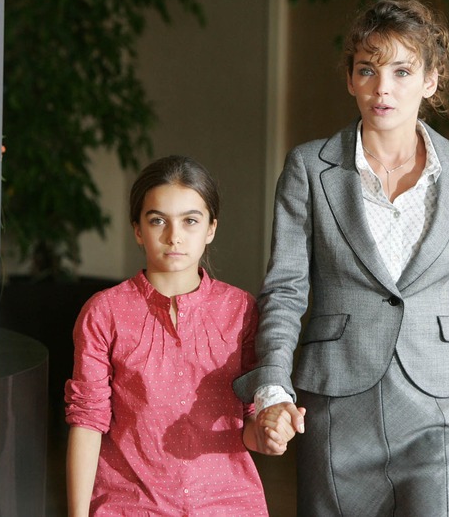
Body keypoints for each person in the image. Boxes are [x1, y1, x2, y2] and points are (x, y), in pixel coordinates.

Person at [233, 0, 449, 516]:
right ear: (350, 79)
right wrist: (273, 389)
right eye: (367, 70)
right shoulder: (309, 167)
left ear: (431, 80)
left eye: (402, 71)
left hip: (439, 409)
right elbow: (285, 289)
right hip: (337, 403)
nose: (382, 88)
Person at [64, 155, 296, 516]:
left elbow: (248, 424)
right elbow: (87, 421)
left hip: (227, 505)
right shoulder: (104, 312)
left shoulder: (241, 310)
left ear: (211, 229)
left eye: (190, 220)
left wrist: (269, 435)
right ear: (138, 230)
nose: (174, 236)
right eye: (158, 220)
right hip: (130, 505)